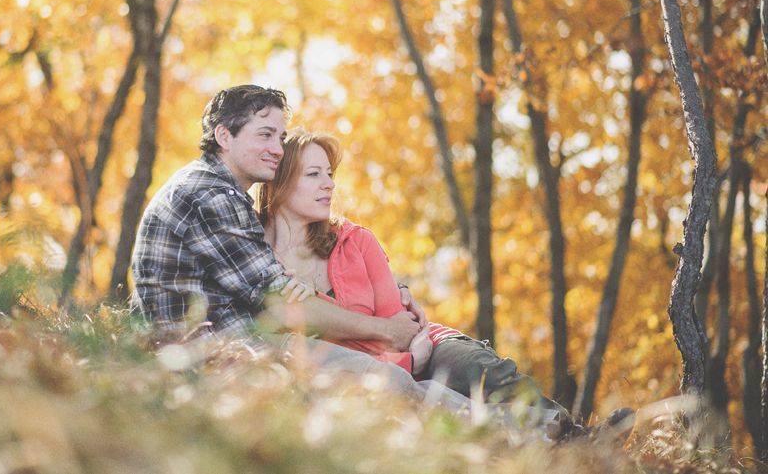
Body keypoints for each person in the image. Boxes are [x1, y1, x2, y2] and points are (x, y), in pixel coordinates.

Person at [129, 85, 467, 409]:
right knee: (385, 380)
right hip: (212, 355)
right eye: (265, 134)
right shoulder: (213, 196)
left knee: (391, 380)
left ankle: (499, 418)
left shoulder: (217, 190)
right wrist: (387, 330)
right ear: (224, 136)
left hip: (225, 346)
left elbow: (270, 293)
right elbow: (282, 304)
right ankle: (500, 423)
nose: (277, 148)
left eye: (280, 137)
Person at [253, 129, 603, 436]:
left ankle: (579, 435)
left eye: (329, 173)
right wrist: (405, 367)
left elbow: (402, 329)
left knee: (477, 371)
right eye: (313, 174)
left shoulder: (356, 240)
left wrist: (409, 359)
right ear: (279, 183)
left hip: (424, 345)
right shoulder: (257, 263)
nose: (329, 183)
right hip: (376, 374)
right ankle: (556, 439)